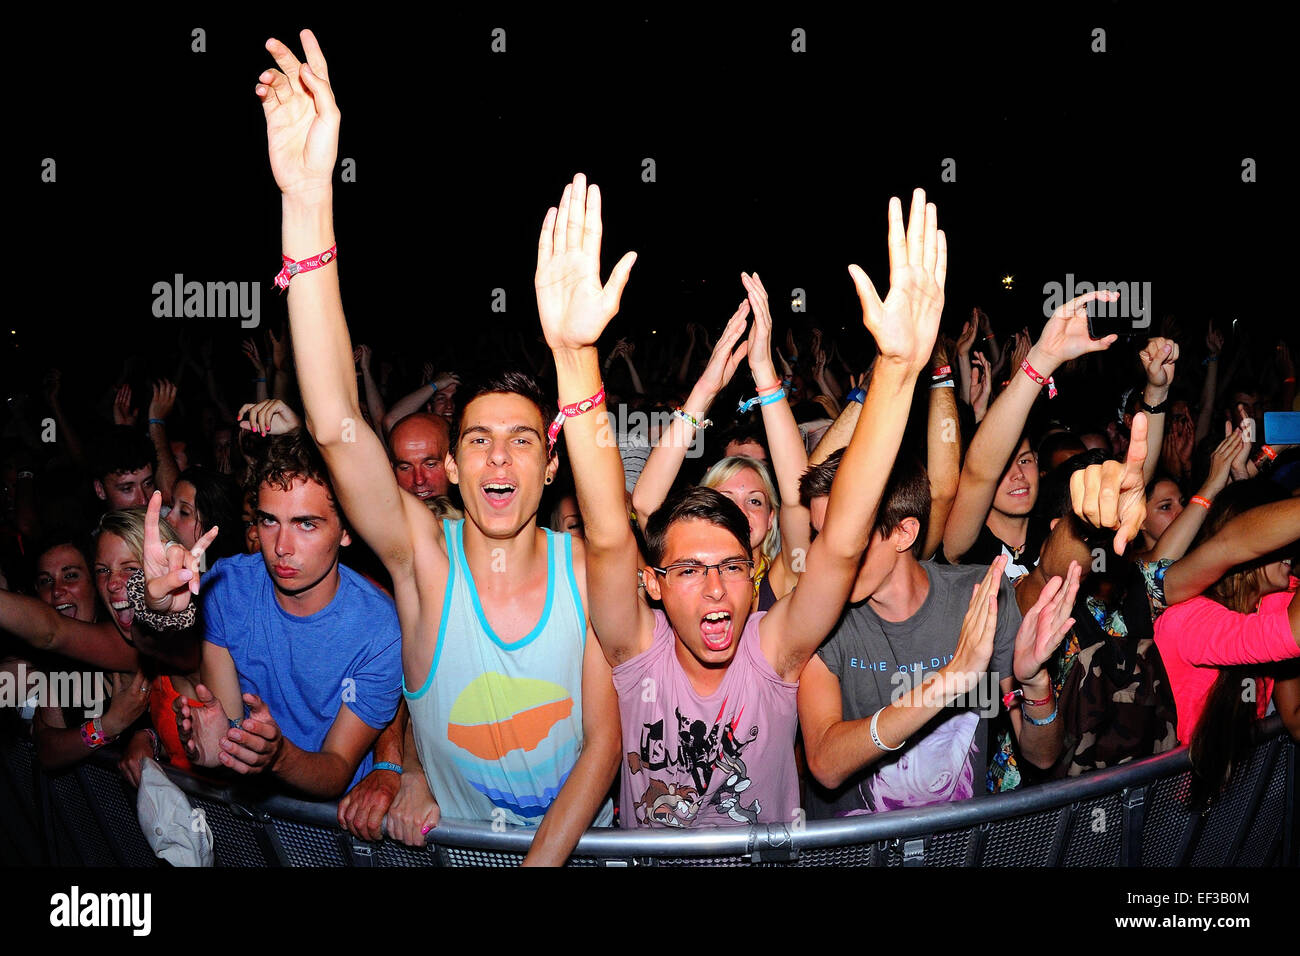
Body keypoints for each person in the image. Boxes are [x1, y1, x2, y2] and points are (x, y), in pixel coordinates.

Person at [252, 30, 618, 865]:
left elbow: (603, 749)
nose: (498, 460)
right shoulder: (424, 563)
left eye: (523, 442)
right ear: (451, 468)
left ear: (551, 463)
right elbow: (338, 422)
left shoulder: (585, 571)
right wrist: (307, 201)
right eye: (479, 441)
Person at [546, 173, 948, 827]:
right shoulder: (634, 650)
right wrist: (575, 357)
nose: (715, 589)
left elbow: (841, 542)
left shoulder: (773, 649)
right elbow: (613, 530)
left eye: (732, 567)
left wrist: (898, 372)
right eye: (690, 570)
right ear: (653, 584)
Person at [796, 447, 1080, 813]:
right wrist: (949, 680)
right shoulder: (817, 612)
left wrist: (1035, 682)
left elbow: (1042, 757)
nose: (824, 554)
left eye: (842, 536)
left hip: (955, 848)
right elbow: (825, 763)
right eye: (818, 536)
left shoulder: (979, 596)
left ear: (903, 532)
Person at [150, 429, 404, 800]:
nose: (282, 547)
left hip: (338, 826)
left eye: (306, 523)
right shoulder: (226, 588)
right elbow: (229, 725)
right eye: (269, 521)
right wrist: (218, 746)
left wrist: (278, 756)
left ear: (347, 529)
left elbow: (336, 768)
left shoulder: (379, 630)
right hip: (255, 818)